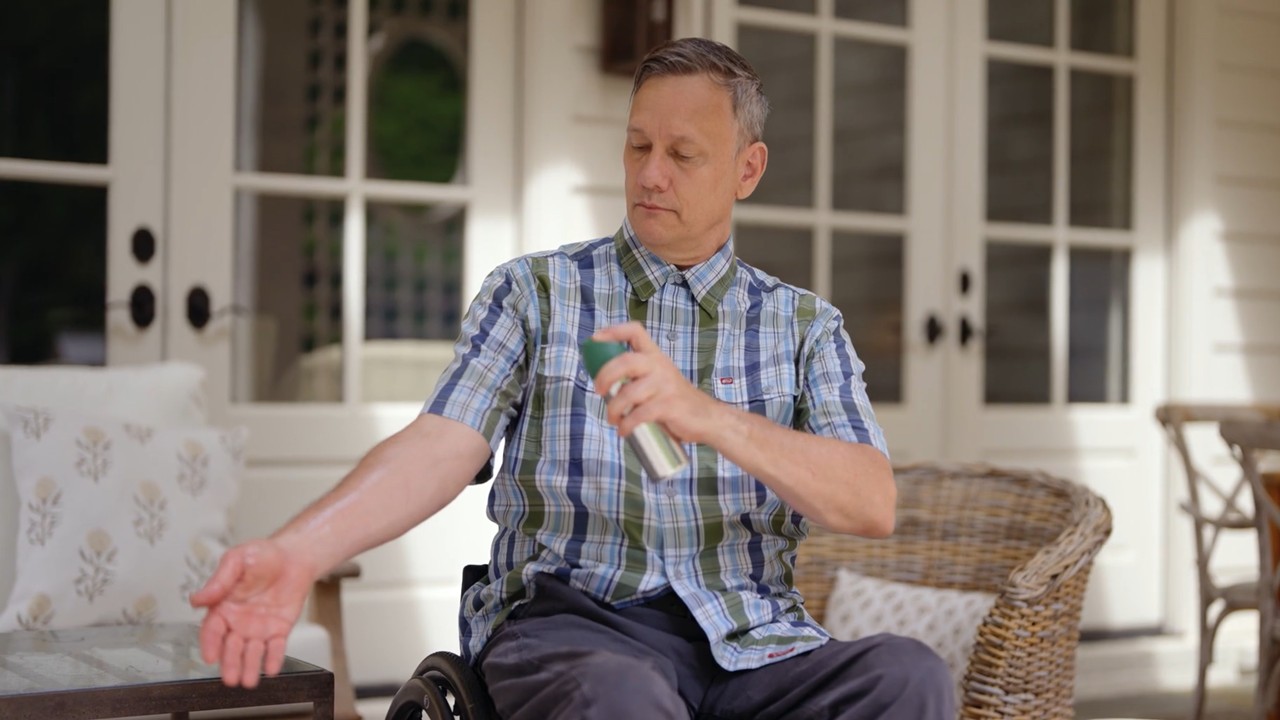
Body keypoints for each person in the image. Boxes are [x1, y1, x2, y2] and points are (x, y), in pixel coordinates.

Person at [192, 37, 954, 719]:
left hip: (753, 640)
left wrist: (709, 417)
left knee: (909, 677)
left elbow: (871, 501)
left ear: (745, 169)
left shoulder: (804, 327)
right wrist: (299, 550)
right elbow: (438, 446)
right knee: (619, 698)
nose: (651, 174)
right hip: (574, 629)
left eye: (682, 155)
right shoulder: (536, 293)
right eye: (637, 147)